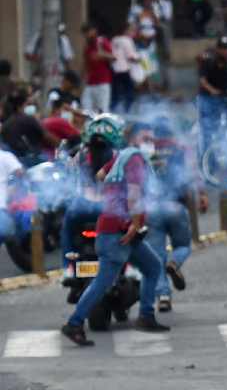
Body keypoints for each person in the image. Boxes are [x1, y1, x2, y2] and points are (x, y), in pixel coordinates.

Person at [60, 115, 170, 347]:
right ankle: (75, 323)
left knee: (152, 267)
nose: (151, 140)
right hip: (117, 232)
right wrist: (135, 224)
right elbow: (134, 197)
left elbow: (101, 175)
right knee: (102, 282)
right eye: (146, 136)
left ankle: (146, 316)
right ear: (134, 138)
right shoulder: (134, 161)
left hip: (120, 229)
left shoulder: (122, 157)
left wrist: (111, 194)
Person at [140, 123, 198, 313]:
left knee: (156, 255)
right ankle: (174, 262)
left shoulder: (144, 152)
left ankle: (163, 296)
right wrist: (198, 198)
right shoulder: (179, 150)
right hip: (175, 206)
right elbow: (189, 176)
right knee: (183, 246)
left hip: (152, 209)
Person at [81, 24, 115, 114]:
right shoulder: (87, 48)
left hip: (103, 82)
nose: (87, 35)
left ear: (94, 31)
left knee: (103, 109)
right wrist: (83, 80)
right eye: (85, 33)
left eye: (88, 32)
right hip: (90, 83)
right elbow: (86, 66)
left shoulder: (102, 42)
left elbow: (113, 57)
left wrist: (102, 55)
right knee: (86, 108)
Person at [109, 22, 141, 114]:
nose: (133, 33)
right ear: (126, 31)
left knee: (116, 93)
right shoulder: (127, 40)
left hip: (114, 69)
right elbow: (130, 56)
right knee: (129, 93)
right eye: (132, 30)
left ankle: (113, 111)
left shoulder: (114, 39)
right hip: (124, 69)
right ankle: (127, 112)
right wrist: (139, 59)